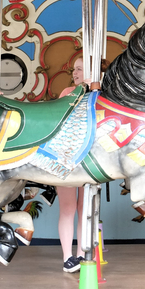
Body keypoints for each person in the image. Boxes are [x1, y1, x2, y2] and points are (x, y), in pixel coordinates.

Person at [57, 56, 87, 272]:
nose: (74, 73)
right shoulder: (68, 93)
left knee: (85, 209)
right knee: (68, 208)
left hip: (88, 158)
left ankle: (82, 254)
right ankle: (68, 256)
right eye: (74, 69)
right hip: (67, 156)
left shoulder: (100, 95)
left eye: (79, 69)